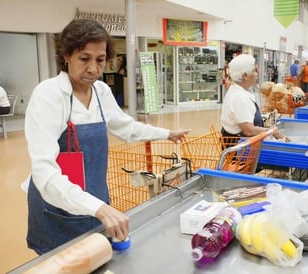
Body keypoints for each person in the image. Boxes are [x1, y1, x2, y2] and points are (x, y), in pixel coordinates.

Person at [24, 19, 190, 255]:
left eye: (100, 60)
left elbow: (127, 128)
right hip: (57, 204)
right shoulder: (49, 95)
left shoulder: (101, 91)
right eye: (84, 58)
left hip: (94, 196)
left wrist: (167, 134)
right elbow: (44, 172)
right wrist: (98, 207)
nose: (93, 68)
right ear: (66, 55)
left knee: (96, 257)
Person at [220, 54, 289, 146]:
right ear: (245, 75)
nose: (257, 72)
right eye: (254, 70)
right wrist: (271, 131)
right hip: (240, 152)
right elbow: (248, 130)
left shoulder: (236, 90)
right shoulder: (240, 97)